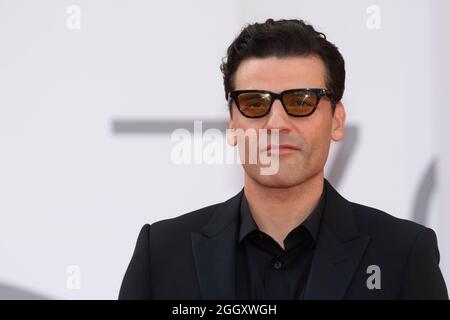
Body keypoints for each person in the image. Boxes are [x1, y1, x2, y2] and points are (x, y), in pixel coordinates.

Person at [118, 18, 448, 299]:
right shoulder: (160, 254)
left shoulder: (403, 254)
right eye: (254, 102)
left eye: (302, 101)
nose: (276, 123)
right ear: (233, 123)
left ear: (336, 120)